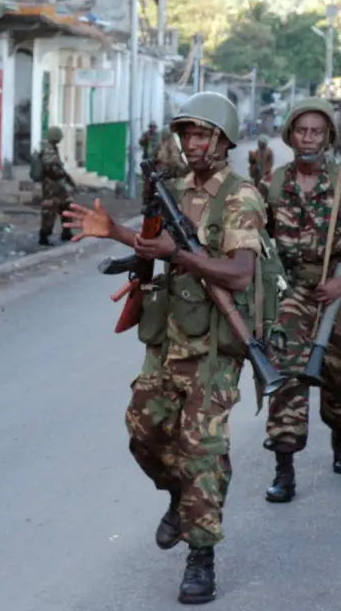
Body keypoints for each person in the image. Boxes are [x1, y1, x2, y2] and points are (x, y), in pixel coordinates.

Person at [63, 91, 265, 605]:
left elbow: (241, 274)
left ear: (222, 141)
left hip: (214, 349)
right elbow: (155, 247)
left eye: (202, 135)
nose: (192, 144)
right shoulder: (171, 189)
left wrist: (183, 254)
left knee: (203, 451)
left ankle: (202, 555)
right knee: (143, 432)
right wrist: (115, 233)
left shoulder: (241, 197)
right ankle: (179, 496)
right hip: (167, 339)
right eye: (187, 135)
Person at [259, 98, 341, 502]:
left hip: (339, 289)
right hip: (292, 289)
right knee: (284, 372)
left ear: (328, 136)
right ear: (291, 136)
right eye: (302, 131)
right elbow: (255, 241)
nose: (309, 138)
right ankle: (284, 469)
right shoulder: (274, 184)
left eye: (317, 131)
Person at [38, 125, 76, 246]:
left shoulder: (51, 148)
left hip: (58, 186)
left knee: (67, 205)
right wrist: (63, 176)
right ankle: (43, 236)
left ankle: (66, 231)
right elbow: (52, 168)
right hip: (51, 187)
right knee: (49, 212)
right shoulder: (48, 150)